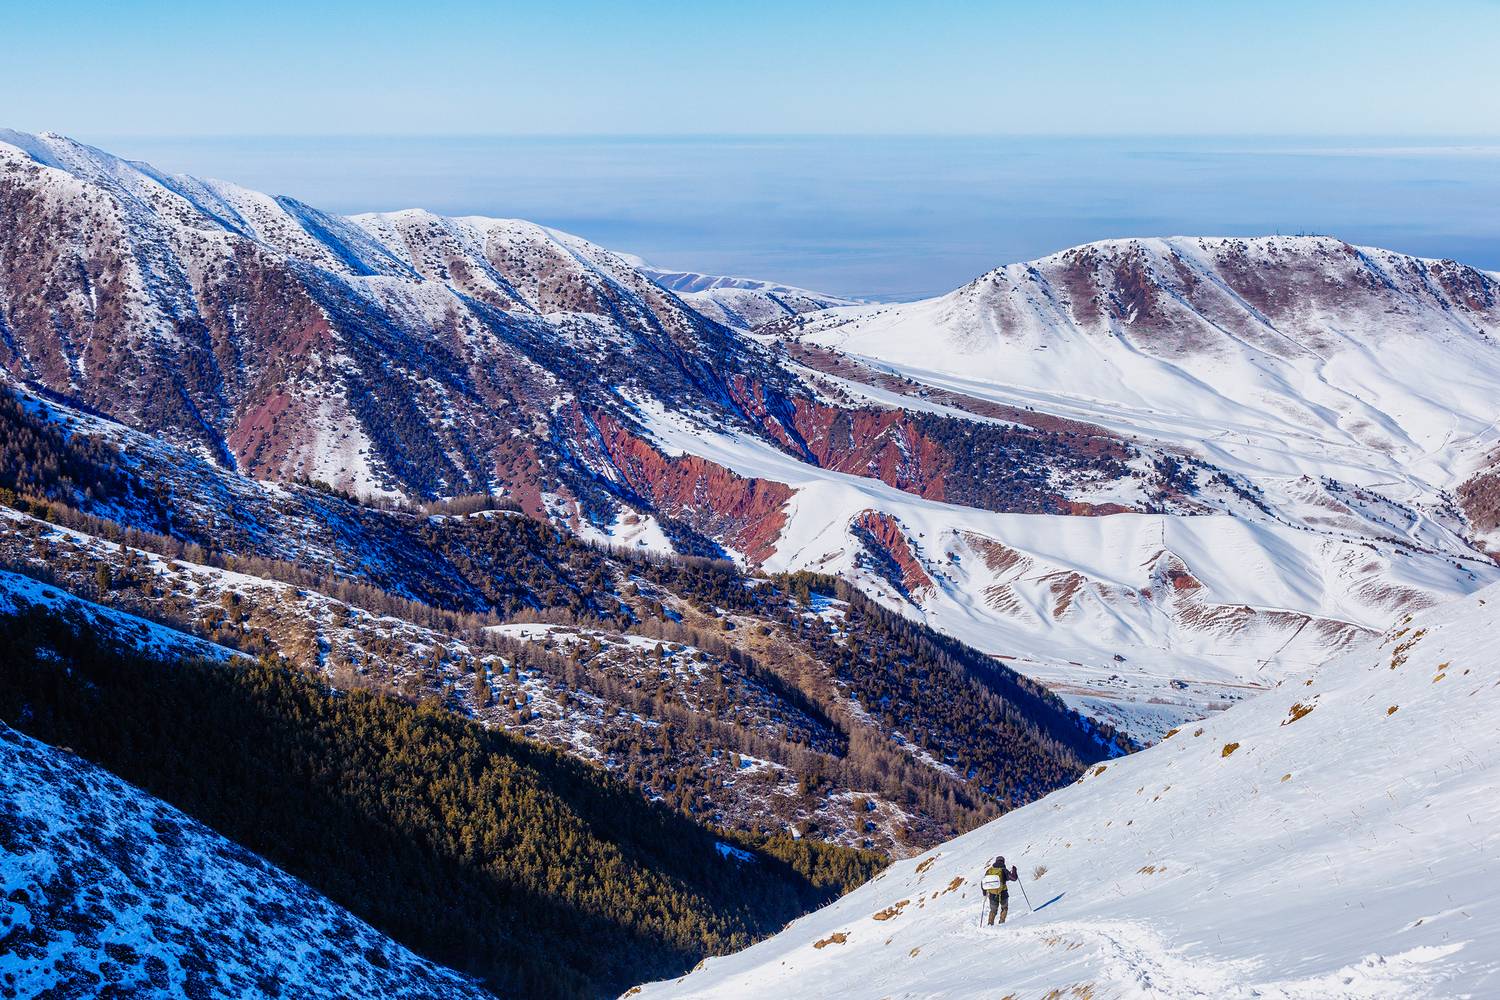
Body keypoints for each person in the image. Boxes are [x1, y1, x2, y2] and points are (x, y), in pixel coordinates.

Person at [982, 855, 1018, 925]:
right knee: (1004, 908)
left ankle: (990, 924)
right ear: (1003, 862)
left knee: (993, 910)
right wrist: (1014, 870)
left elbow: (983, 882)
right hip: (1003, 893)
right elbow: (1014, 878)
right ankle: (1001, 923)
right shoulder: (1004, 870)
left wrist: (984, 894)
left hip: (992, 894)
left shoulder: (989, 870)